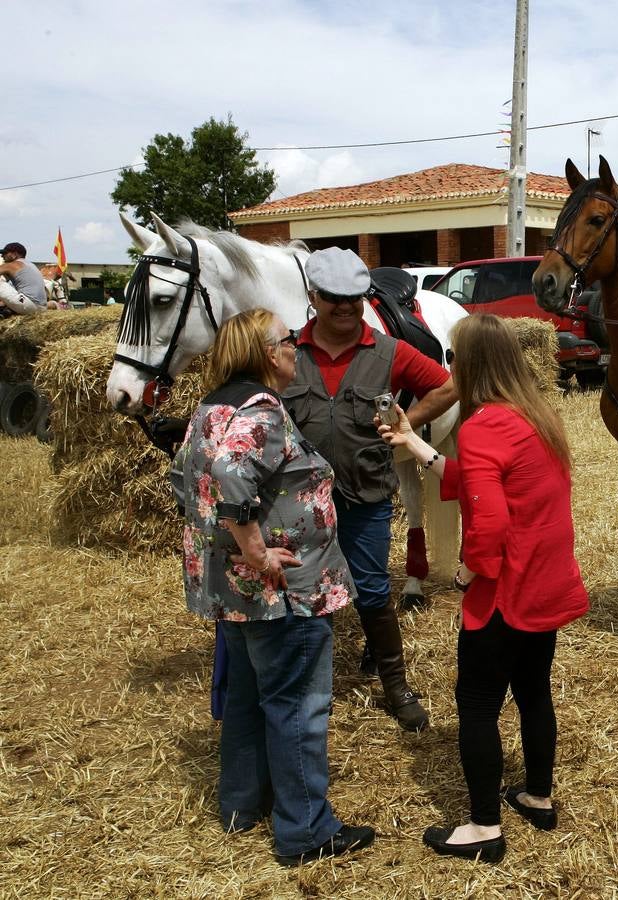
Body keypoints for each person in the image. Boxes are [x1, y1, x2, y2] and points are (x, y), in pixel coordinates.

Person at [379, 314, 589, 865]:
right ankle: (538, 797)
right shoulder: (536, 416)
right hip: (543, 585)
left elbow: (489, 521)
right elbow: (477, 479)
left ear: (471, 364)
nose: (450, 368)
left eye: (453, 358)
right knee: (534, 690)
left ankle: (483, 828)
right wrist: (413, 442)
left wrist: (470, 571)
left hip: (505, 590)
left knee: (475, 704)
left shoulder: (483, 426)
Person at [170, 308, 375, 867]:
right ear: (267, 353)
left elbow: (185, 481)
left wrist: (227, 548)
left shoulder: (212, 407)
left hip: (235, 591)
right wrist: (256, 551)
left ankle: (242, 805)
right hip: (285, 591)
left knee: (246, 696)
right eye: (289, 340)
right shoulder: (260, 409)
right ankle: (305, 831)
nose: (296, 349)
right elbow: (231, 474)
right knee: (297, 703)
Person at [282, 247, 457, 732]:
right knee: (305, 591)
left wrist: (408, 423)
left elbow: (448, 386)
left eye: (354, 298)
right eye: (333, 297)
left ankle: (395, 686)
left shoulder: (389, 350)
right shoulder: (287, 352)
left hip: (366, 494)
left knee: (374, 590)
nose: (344, 306)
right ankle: (309, 687)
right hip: (301, 503)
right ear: (313, 297)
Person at [0, 243, 48, 317]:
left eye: (5, 253)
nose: (2, 256)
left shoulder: (12, 265)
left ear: (14, 254)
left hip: (28, 305)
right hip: (42, 308)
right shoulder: (30, 265)